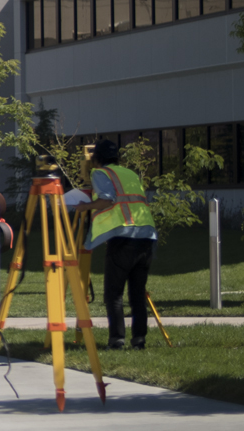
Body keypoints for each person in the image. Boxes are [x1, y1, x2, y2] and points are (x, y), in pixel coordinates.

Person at [71, 139, 157, 350]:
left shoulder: (100, 174)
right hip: (146, 236)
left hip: (123, 238)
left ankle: (117, 340)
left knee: (114, 293)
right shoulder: (130, 174)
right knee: (137, 293)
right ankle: (139, 340)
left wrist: (85, 207)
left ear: (96, 159)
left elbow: (107, 200)